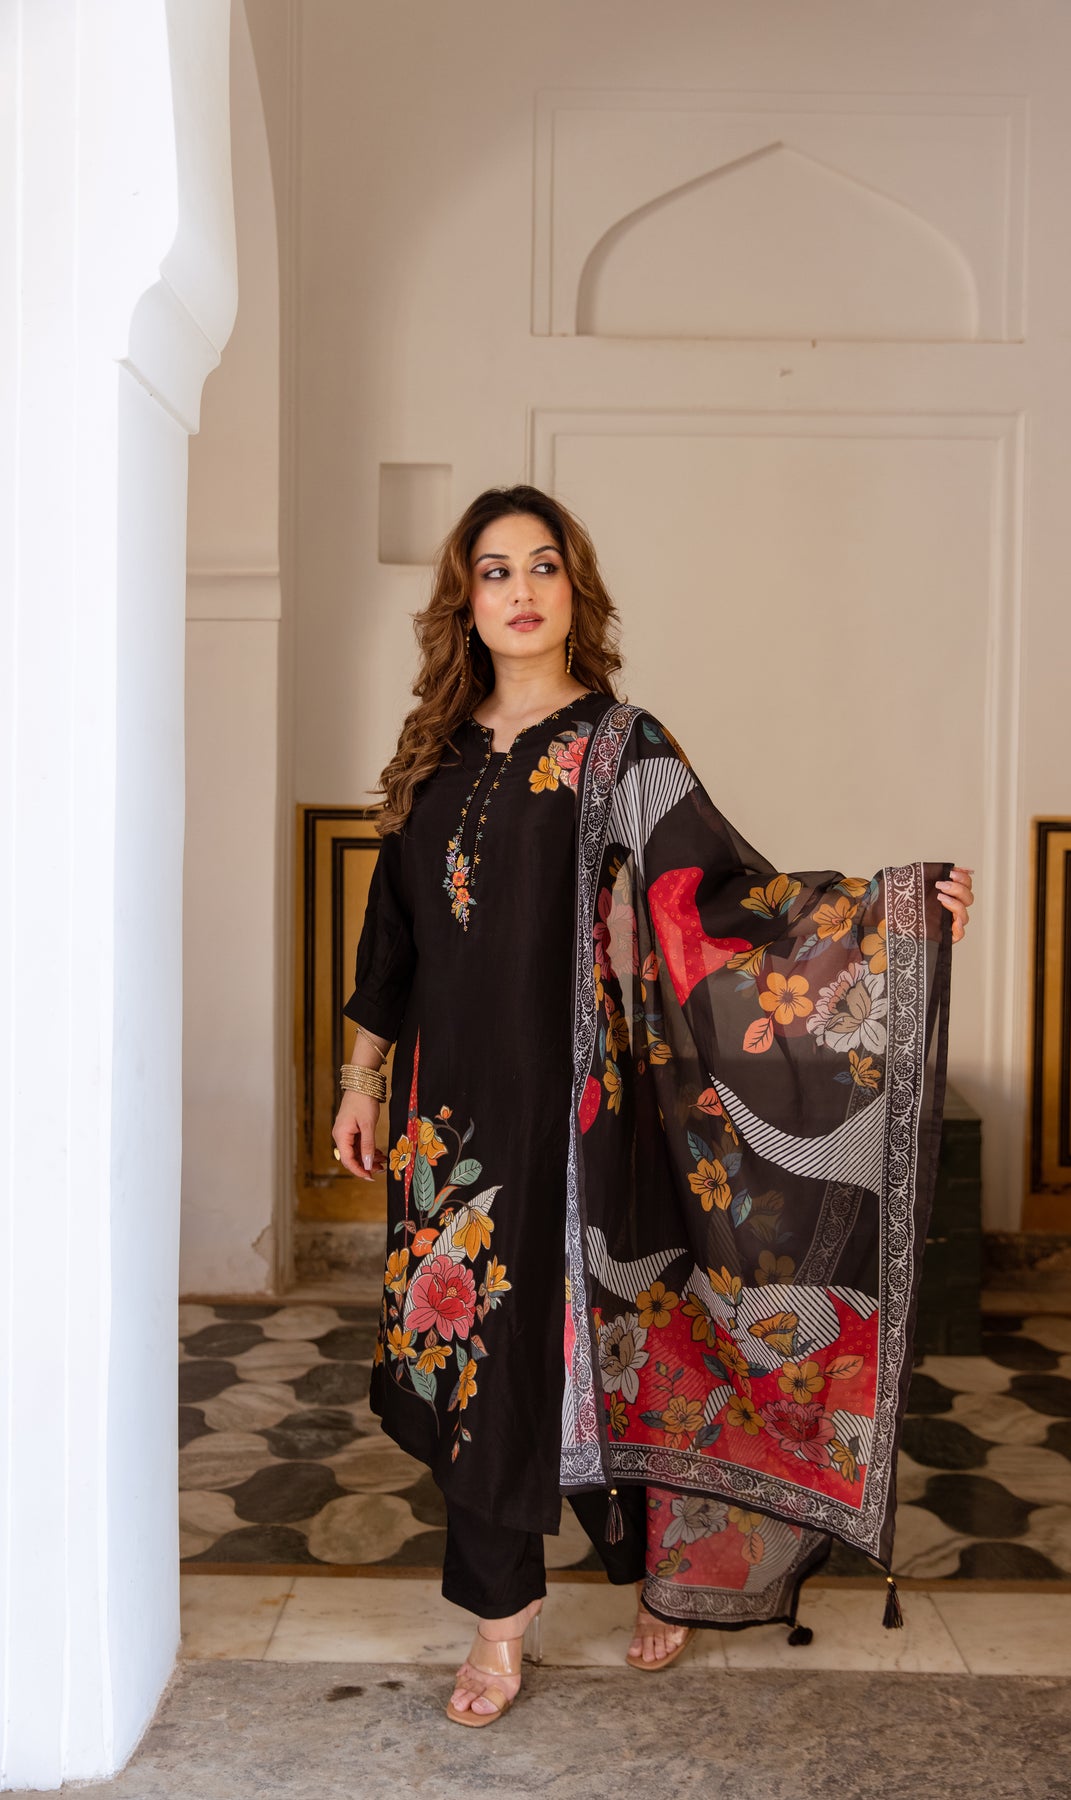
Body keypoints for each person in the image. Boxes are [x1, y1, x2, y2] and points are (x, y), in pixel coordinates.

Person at [333, 484, 974, 1726]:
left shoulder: (622, 748)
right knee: (481, 1362)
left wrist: (892, 912)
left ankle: (664, 1571)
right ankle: (499, 1624)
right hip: (450, 1128)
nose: (520, 591)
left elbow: (725, 901)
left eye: (542, 566)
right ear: (465, 601)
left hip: (586, 1116)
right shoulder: (434, 754)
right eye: (494, 571)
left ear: (576, 591)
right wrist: (360, 1084)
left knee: (608, 1340)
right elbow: (388, 944)